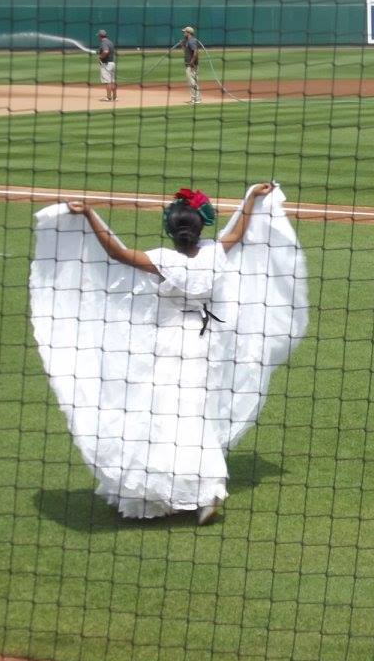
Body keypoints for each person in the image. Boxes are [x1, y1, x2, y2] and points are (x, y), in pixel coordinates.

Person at [29, 183, 309, 523]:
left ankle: (176, 490)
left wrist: (89, 215)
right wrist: (252, 197)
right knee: (197, 415)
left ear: (171, 230)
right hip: (208, 349)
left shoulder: (163, 260)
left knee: (162, 416)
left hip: (169, 348)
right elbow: (240, 228)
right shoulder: (214, 254)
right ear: (200, 225)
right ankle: (196, 490)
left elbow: (117, 253)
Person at [181, 26, 202, 104]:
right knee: (192, 82)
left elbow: (195, 52)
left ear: (188, 33)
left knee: (192, 82)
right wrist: (182, 44)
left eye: (184, 32)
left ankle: (195, 99)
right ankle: (196, 98)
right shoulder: (187, 41)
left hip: (191, 65)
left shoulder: (191, 41)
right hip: (189, 64)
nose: (183, 33)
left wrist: (192, 63)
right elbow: (186, 52)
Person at [96, 29, 117, 102]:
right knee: (112, 81)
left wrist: (100, 57)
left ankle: (108, 98)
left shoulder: (103, 42)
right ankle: (114, 97)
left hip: (106, 64)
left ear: (100, 36)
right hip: (112, 63)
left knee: (107, 81)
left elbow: (106, 51)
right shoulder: (110, 42)